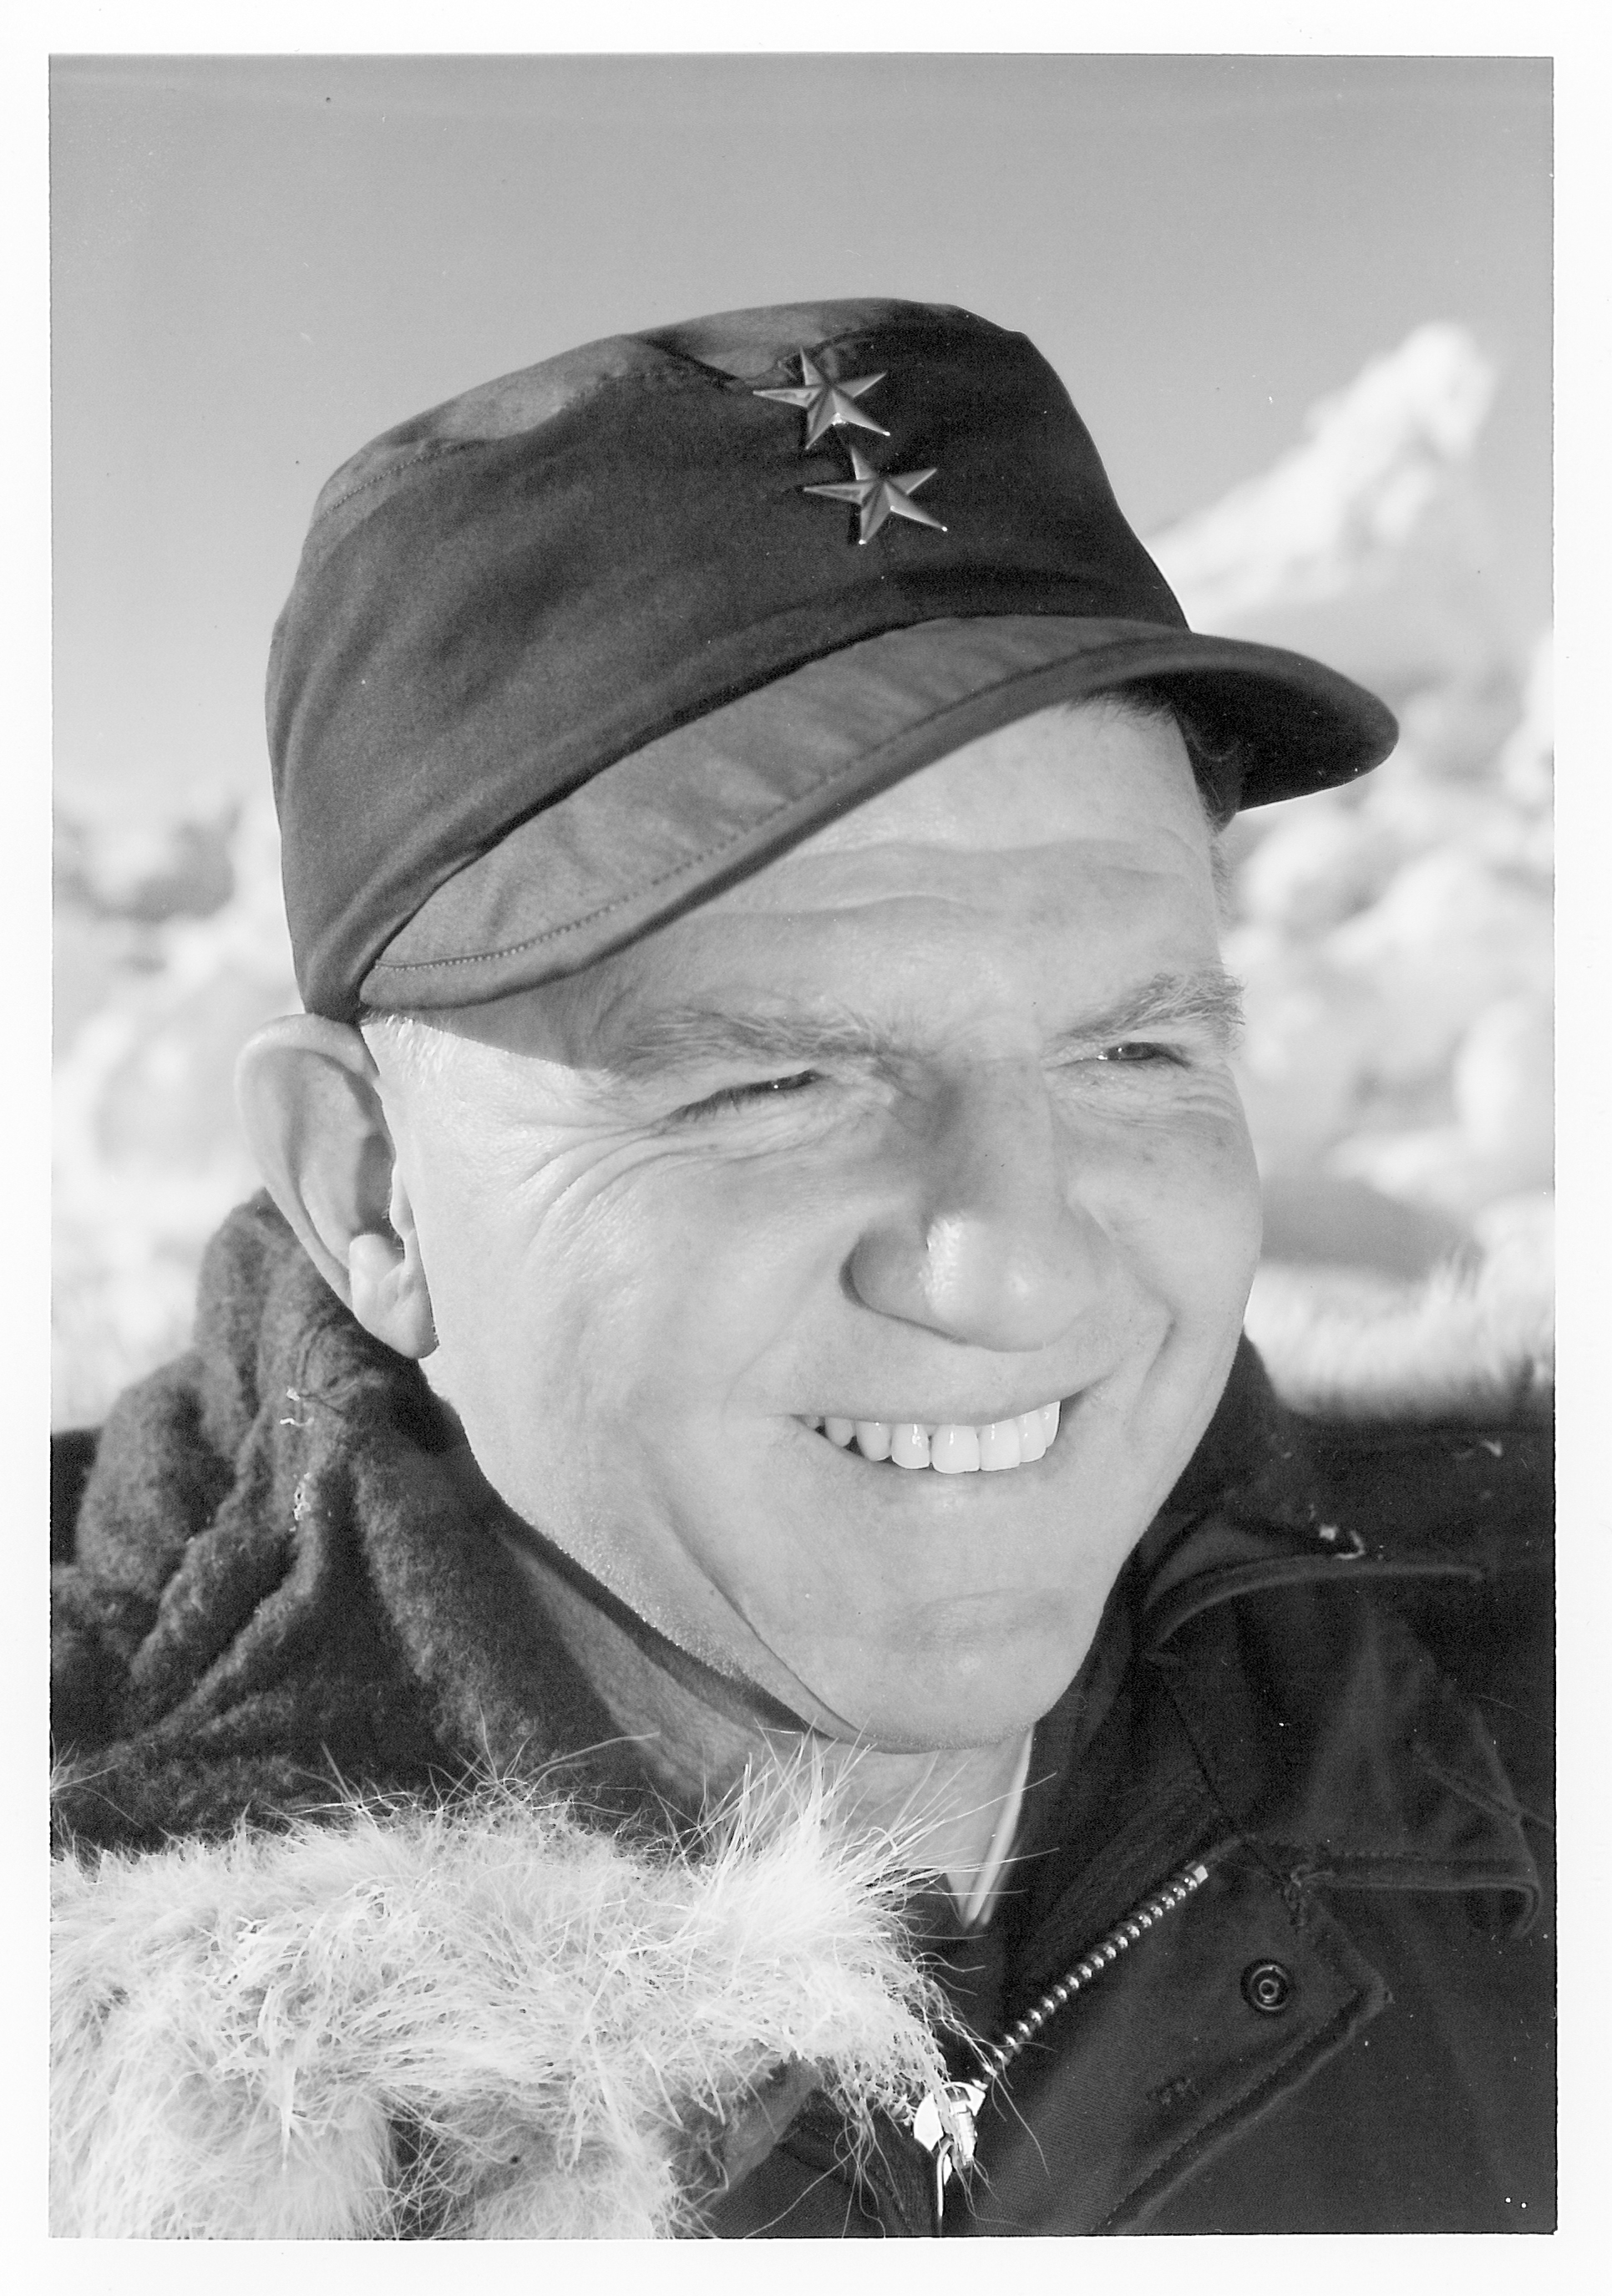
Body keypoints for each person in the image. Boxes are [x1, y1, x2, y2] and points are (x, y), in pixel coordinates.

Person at [49, 298, 1553, 2238]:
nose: (1006, 1265)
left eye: (1131, 1050)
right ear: (372, 1194)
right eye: (771, 1075)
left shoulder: (1526, 1691)